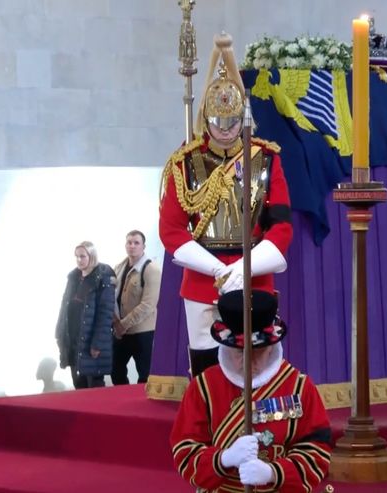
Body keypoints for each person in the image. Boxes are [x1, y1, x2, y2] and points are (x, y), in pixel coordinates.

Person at [159, 33, 293, 377]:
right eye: (219, 122)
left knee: (255, 369)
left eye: (233, 121)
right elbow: (171, 228)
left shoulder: (266, 158)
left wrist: (245, 269)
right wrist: (218, 270)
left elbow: (281, 224)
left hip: (255, 279)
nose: (226, 130)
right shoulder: (185, 163)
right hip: (203, 279)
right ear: (206, 117)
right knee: (206, 373)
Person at [170, 289, 331, 492]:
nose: (248, 360)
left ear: (272, 347)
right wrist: (223, 459)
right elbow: (184, 450)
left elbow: (318, 450)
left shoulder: (299, 387)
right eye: (240, 352)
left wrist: (274, 473)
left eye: (257, 351)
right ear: (227, 346)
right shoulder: (203, 387)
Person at [56, 241, 115, 389]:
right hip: (73, 339)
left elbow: (105, 314)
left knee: (94, 387)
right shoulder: (73, 278)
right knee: (79, 385)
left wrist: (97, 343)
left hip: (91, 341)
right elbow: (64, 307)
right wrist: (60, 333)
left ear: (91, 256)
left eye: (82, 256)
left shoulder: (103, 277)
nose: (79, 260)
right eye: (76, 256)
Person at [111, 230, 161, 385]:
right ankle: (122, 399)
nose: (132, 246)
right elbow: (111, 297)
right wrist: (116, 323)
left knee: (145, 375)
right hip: (120, 332)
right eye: (129, 242)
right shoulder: (118, 267)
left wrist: (123, 324)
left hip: (143, 333)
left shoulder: (152, 269)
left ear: (143, 246)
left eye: (136, 243)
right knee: (115, 370)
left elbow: (148, 305)